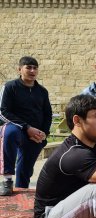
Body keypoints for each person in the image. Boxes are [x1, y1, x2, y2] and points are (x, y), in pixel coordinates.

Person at [0, 56, 52, 195]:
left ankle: (21, 192)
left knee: (25, 170)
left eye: (35, 68)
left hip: (35, 134)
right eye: (28, 67)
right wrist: (26, 128)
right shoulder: (10, 87)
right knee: (9, 133)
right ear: (19, 69)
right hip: (16, 128)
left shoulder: (42, 91)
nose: (32, 70)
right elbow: (3, 111)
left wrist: (44, 133)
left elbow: (48, 114)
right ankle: (7, 180)